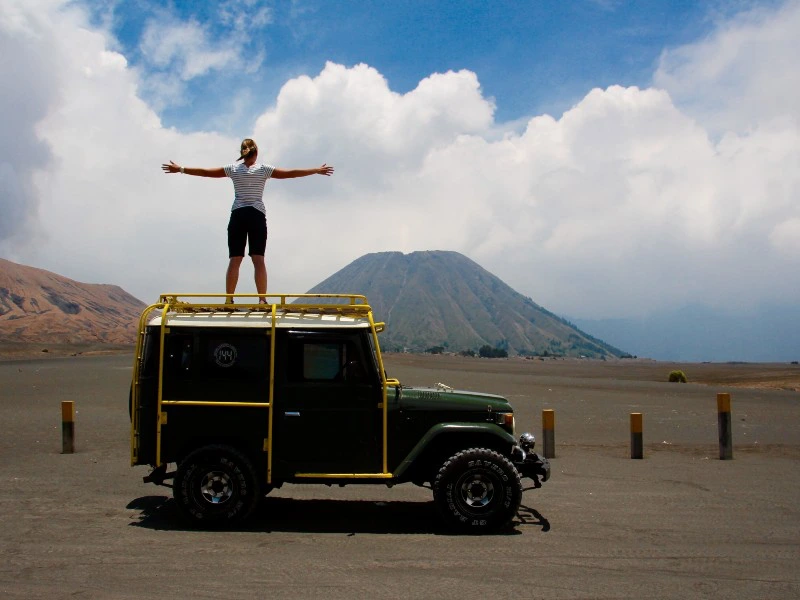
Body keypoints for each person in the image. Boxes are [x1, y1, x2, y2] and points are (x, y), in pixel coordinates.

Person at [162, 139, 334, 303]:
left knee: (235, 259)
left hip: (238, 215)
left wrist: (181, 169)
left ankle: (229, 299)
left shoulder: (233, 169)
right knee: (258, 259)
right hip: (256, 215)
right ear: (256, 152)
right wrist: (315, 170)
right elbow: (289, 173)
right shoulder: (263, 169)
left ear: (242, 154)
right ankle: (262, 299)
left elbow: (206, 172)